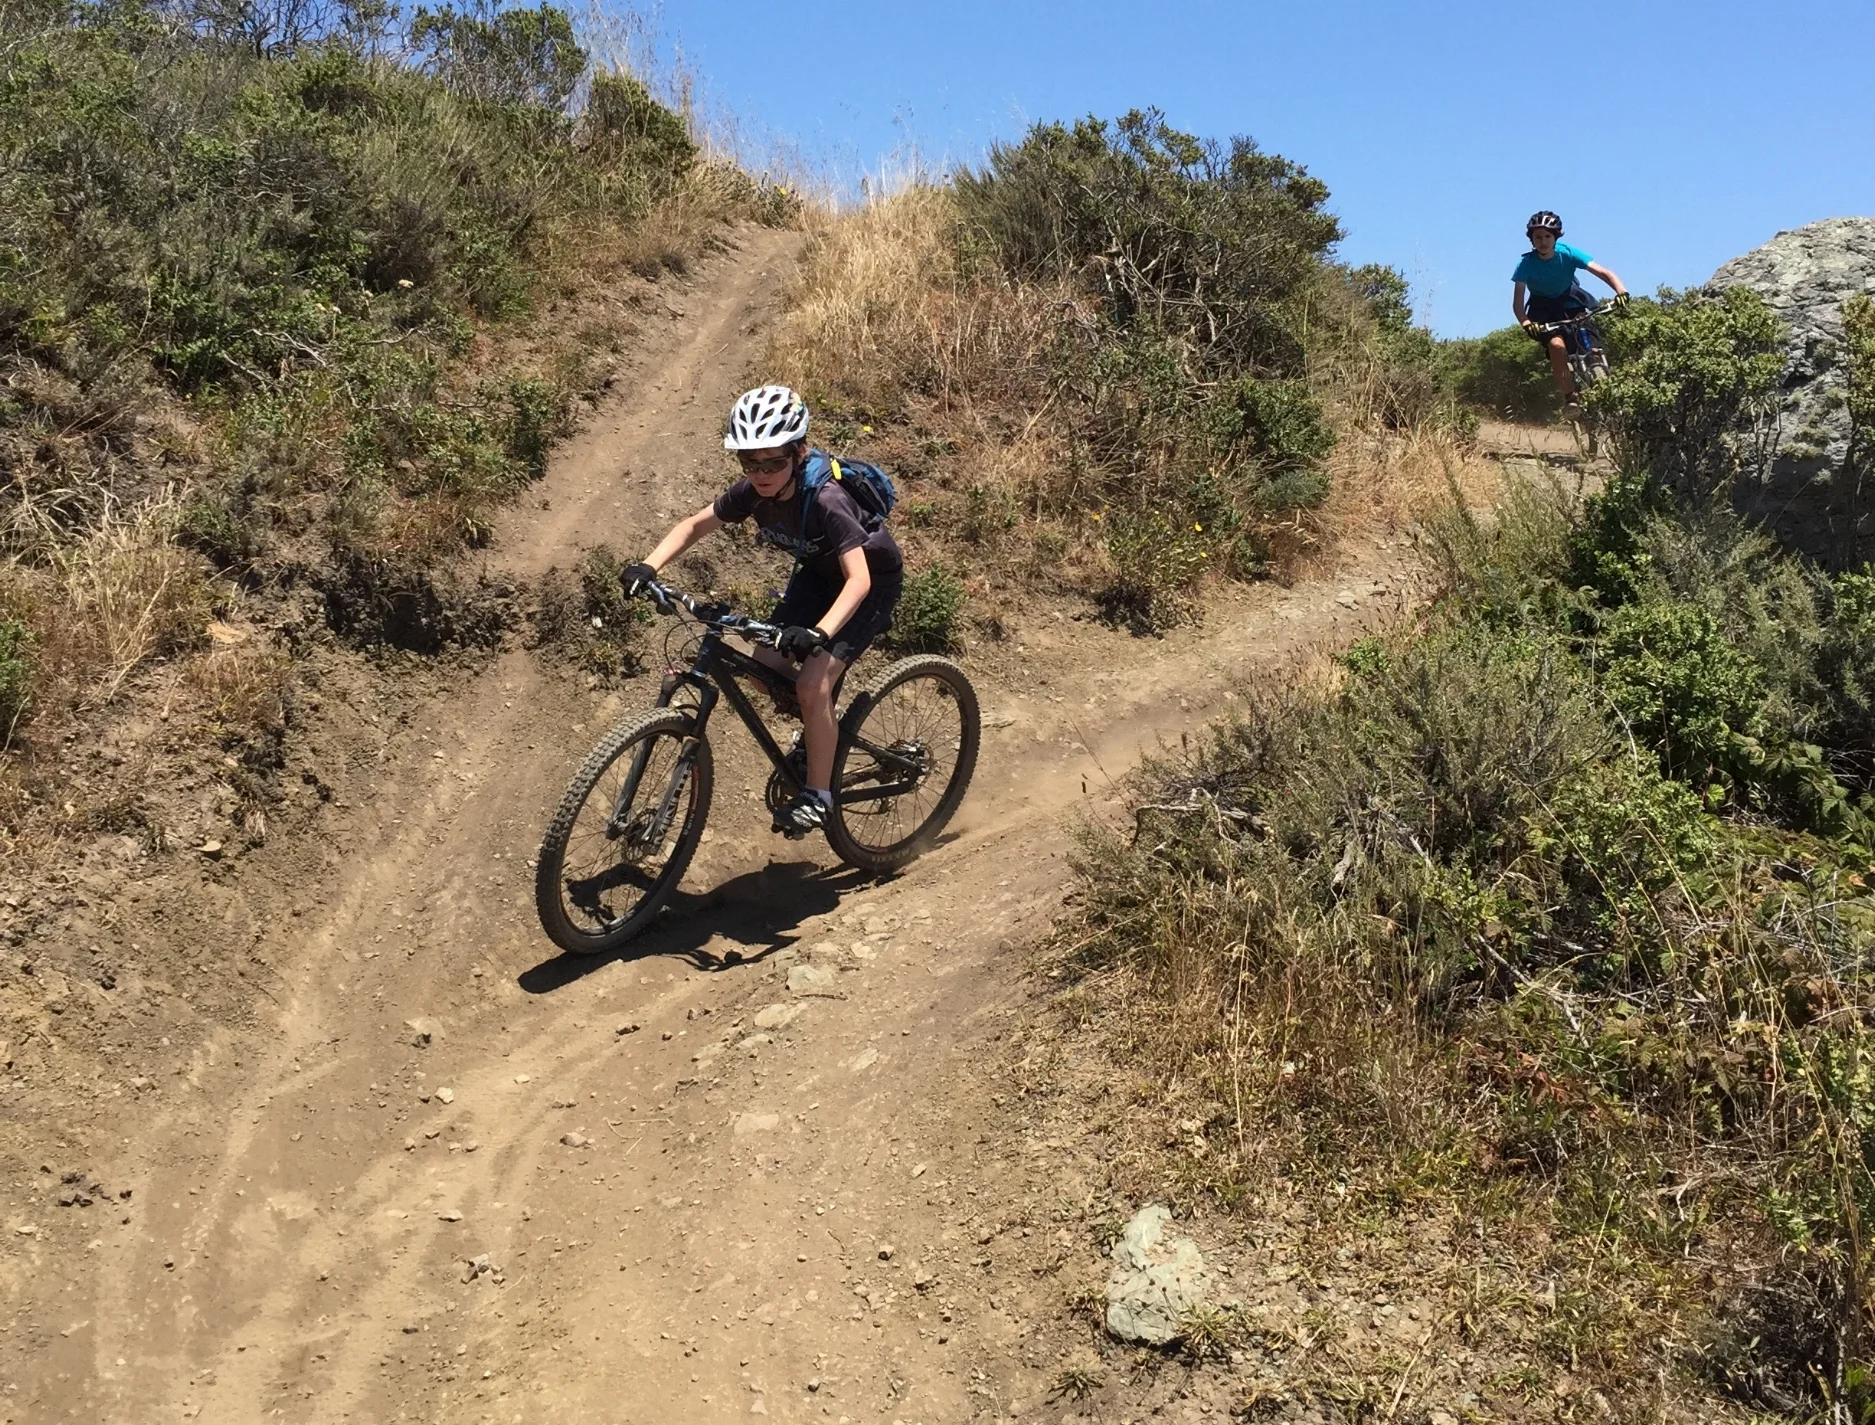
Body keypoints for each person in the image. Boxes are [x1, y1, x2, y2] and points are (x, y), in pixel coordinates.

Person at [619, 385, 903, 838]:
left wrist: (820, 635)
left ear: (798, 452)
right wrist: (649, 565)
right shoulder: (752, 492)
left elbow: (860, 580)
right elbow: (695, 524)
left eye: (773, 462)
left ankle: (820, 796)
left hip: (868, 583)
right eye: (750, 462)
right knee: (759, 663)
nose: (762, 473)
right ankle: (817, 733)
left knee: (813, 682)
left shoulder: (828, 499)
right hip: (816, 577)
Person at [1511, 211, 1629, 406]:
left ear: (1555, 237)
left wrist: (1621, 291)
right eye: (1538, 237)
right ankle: (1570, 398)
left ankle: (1604, 385)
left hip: (1572, 302)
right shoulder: (1525, 264)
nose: (1543, 241)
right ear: (1531, 240)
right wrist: (1526, 323)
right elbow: (1517, 303)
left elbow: (1603, 272)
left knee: (1592, 347)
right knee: (1557, 346)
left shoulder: (1567, 252)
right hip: (1543, 311)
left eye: (1547, 236)